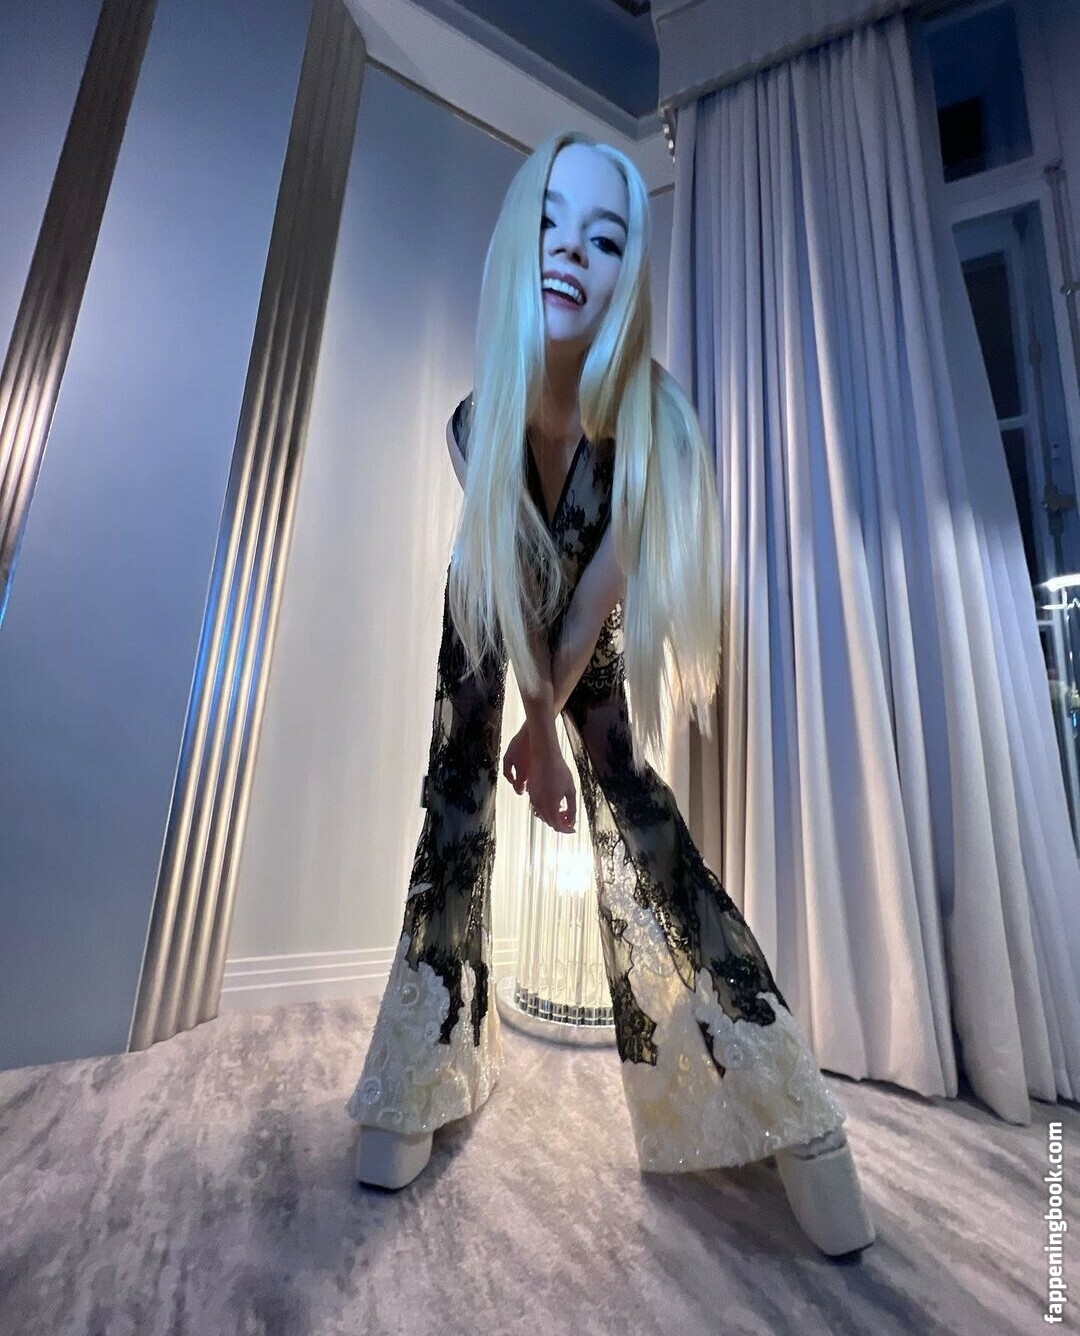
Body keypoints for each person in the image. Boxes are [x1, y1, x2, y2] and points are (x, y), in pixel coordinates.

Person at [346, 130, 875, 1256]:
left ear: (629, 270)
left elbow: (588, 609)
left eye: (603, 236)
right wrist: (517, 727)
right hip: (490, 606)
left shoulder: (656, 423)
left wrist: (550, 730)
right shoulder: (476, 419)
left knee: (636, 802)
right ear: (515, 243)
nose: (569, 251)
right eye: (549, 223)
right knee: (454, 794)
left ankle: (783, 1094)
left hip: (584, 626)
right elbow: (504, 590)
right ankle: (421, 1060)